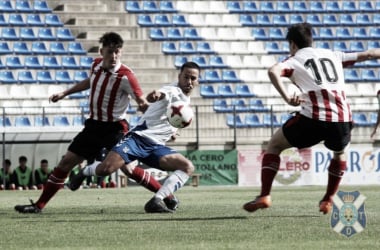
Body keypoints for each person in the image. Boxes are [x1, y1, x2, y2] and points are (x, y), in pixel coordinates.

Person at [242, 22, 380, 215]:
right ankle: (328, 199)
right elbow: (369, 54)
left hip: (313, 120)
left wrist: (287, 98)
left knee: (274, 145)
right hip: (341, 120)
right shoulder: (333, 54)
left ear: (292, 44)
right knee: (340, 154)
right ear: (311, 39)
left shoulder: (294, 59)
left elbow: (273, 71)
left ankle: (265, 195)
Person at [15, 31, 150, 213]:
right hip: (93, 126)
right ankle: (38, 206)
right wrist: (65, 93)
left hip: (115, 128)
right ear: (102, 52)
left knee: (129, 169)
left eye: (117, 51)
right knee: (65, 163)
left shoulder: (126, 76)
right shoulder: (95, 65)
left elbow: (141, 101)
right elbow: (91, 82)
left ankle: (166, 196)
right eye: (110, 51)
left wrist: (150, 109)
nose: (114, 56)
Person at [70, 61, 200, 213]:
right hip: (137, 139)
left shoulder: (186, 100)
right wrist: (154, 96)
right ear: (179, 76)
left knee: (187, 167)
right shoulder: (172, 90)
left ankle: (157, 201)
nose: (189, 82)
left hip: (156, 147)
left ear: (197, 81)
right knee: (106, 169)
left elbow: (169, 118)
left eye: (193, 78)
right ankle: (86, 171)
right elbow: (159, 94)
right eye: (186, 77)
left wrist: (172, 131)